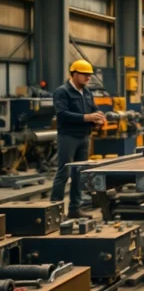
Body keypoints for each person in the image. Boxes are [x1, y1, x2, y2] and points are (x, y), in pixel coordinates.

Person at [52, 59, 105, 219]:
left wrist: (99, 116)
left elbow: (93, 108)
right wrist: (86, 117)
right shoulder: (62, 92)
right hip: (68, 136)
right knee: (64, 172)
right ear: (74, 74)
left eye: (90, 75)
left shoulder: (87, 92)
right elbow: (62, 114)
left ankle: (75, 208)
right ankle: (55, 210)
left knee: (79, 173)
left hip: (84, 137)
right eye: (85, 75)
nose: (88, 78)